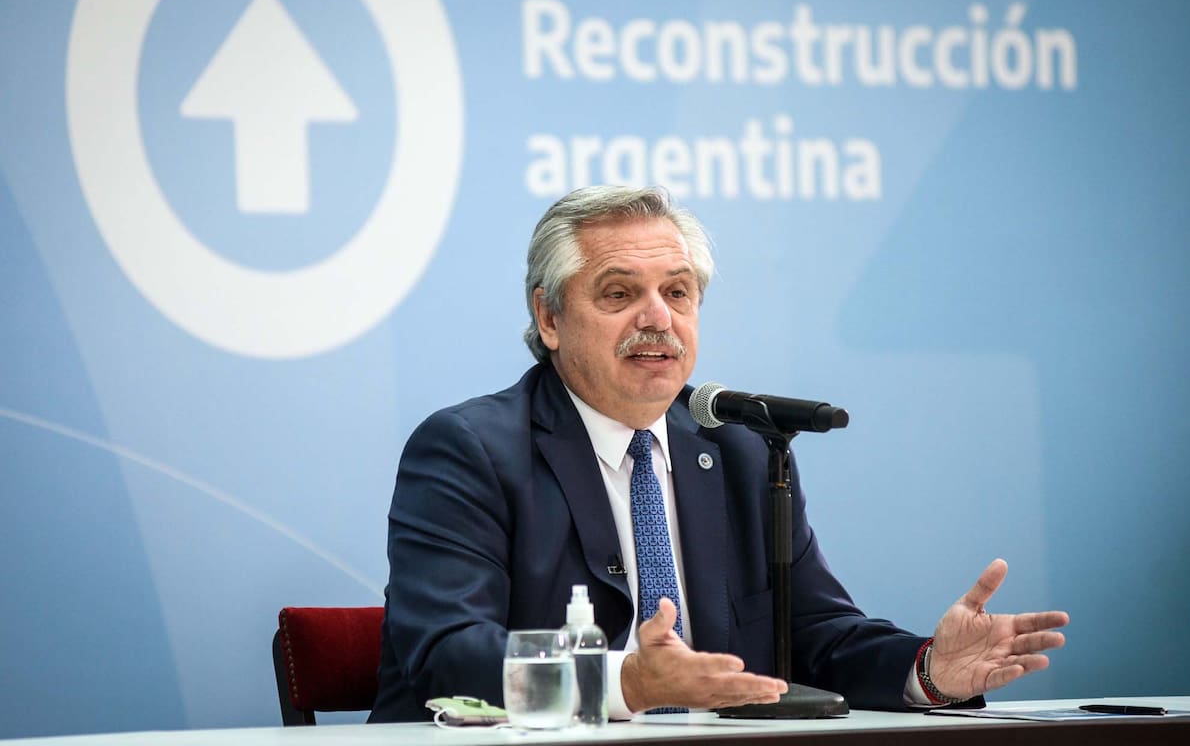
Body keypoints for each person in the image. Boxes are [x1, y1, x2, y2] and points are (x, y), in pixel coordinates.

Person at [368, 186, 1068, 722]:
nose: (657, 317)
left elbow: (815, 636)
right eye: (620, 293)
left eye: (678, 292)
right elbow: (447, 654)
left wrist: (928, 670)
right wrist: (625, 683)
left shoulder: (740, 449)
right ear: (549, 317)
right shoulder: (470, 451)